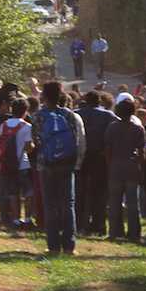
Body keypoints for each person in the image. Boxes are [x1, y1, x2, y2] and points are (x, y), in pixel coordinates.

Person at [31, 80, 86, 255]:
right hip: (67, 164)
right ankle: (69, 246)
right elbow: (80, 141)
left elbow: (35, 141)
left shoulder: (38, 116)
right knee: (68, 204)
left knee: (50, 204)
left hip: (46, 164)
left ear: (44, 96)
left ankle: (53, 246)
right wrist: (77, 163)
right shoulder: (71, 116)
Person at [75, 89, 117, 235]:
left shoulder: (76, 114)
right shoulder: (108, 115)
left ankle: (80, 224)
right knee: (100, 193)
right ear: (99, 100)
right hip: (100, 157)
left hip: (81, 156)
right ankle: (99, 225)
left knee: (80, 192)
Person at [105, 96, 145, 242]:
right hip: (132, 166)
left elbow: (107, 149)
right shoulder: (138, 128)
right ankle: (135, 233)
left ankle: (115, 232)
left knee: (114, 201)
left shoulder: (112, 127)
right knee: (133, 203)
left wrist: (110, 164)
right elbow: (142, 152)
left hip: (115, 166)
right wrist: (138, 165)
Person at [0, 97, 34, 227]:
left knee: (13, 192)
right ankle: (28, 219)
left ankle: (16, 219)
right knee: (28, 192)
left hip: (7, 163)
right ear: (25, 111)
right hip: (23, 163)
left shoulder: (3, 125)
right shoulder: (27, 126)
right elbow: (28, 148)